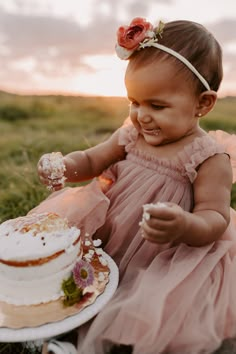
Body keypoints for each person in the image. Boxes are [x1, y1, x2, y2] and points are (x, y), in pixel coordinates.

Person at [34, 17, 236, 354]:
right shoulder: (130, 134)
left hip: (160, 259)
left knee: (133, 303)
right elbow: (91, 160)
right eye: (134, 101)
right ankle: (51, 327)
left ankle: (91, 344)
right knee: (72, 278)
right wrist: (64, 167)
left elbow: (215, 218)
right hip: (108, 237)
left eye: (157, 106)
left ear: (203, 103)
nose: (141, 115)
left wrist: (185, 224)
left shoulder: (208, 159)